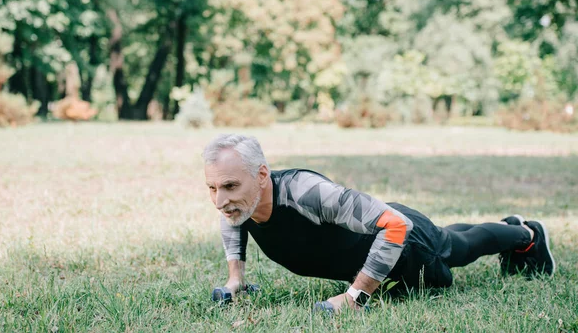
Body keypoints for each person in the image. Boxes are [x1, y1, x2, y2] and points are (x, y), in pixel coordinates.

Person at [203, 134, 555, 313]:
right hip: (379, 248)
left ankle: (526, 236)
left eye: (231, 186)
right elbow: (233, 218)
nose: (220, 201)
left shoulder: (308, 194)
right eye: (213, 188)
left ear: (262, 175)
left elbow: (396, 226)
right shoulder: (241, 205)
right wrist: (236, 279)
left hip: (404, 246)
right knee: (447, 236)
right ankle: (508, 227)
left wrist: (355, 297)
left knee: (457, 249)